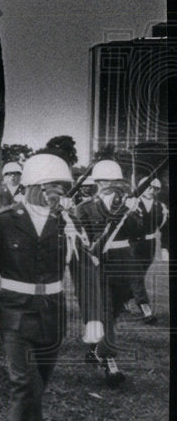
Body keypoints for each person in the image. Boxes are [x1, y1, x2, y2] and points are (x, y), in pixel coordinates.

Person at [0, 153, 97, 421]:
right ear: (36, 187)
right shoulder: (2, 220)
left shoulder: (67, 223)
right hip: (14, 314)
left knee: (37, 387)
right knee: (25, 384)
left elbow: (84, 272)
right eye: (54, 186)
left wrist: (93, 317)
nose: (59, 192)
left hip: (53, 315)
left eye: (62, 187)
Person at [71, 160, 141, 387]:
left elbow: (138, 232)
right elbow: (82, 242)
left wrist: (130, 212)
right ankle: (110, 362)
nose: (111, 184)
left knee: (117, 308)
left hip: (123, 266)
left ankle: (96, 346)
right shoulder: (85, 208)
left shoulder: (128, 205)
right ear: (98, 182)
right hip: (97, 264)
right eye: (106, 180)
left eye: (115, 181)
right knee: (106, 309)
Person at [127, 177, 168, 321]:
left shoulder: (160, 207)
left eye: (155, 188)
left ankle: (123, 300)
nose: (152, 190)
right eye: (149, 187)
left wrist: (164, 248)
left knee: (137, 277)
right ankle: (146, 311)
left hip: (149, 246)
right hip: (132, 244)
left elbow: (166, 229)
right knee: (137, 277)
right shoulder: (131, 203)